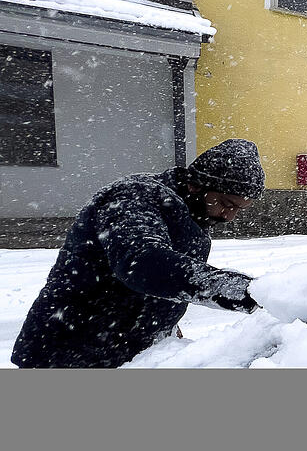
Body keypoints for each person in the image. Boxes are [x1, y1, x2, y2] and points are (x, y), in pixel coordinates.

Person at [12, 139, 267, 368]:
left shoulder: (194, 217)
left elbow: (168, 280)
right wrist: (242, 290)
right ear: (195, 186)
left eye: (239, 209)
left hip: (128, 352)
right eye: (226, 204)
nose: (229, 216)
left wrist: (165, 325)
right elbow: (142, 263)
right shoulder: (134, 197)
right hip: (68, 349)